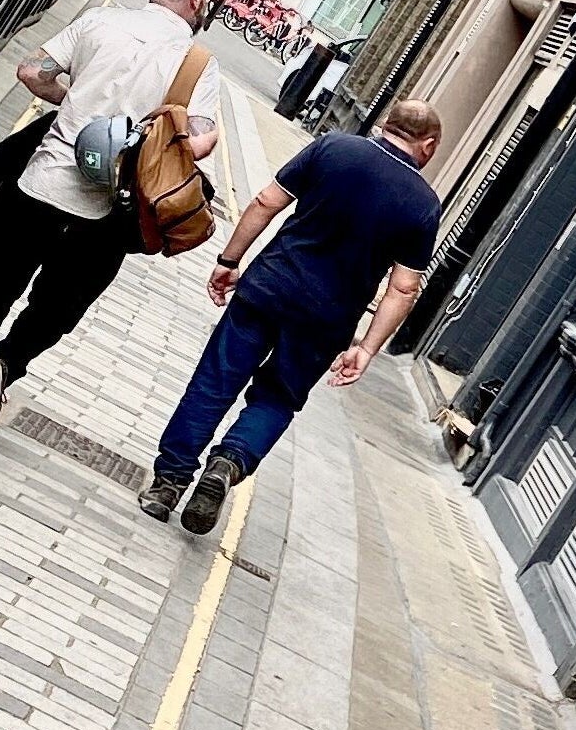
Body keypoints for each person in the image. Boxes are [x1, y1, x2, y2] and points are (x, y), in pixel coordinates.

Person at [140, 99, 444, 535]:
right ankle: (230, 461)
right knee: (278, 399)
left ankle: (167, 485)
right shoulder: (423, 204)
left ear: (384, 126)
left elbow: (267, 201)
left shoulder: (333, 147)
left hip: (268, 288)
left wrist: (229, 259)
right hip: (326, 320)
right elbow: (403, 287)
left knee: (215, 381)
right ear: (428, 146)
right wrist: (367, 348)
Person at [0, 0, 221, 435]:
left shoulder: (99, 20)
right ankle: (6, 364)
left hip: (38, 185)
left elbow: (31, 72)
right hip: (108, 213)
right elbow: (202, 140)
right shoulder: (196, 64)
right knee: (59, 308)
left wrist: (70, 102)